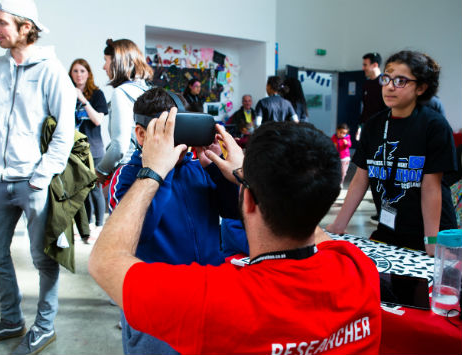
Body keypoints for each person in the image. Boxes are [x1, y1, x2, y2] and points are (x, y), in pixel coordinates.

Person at [89, 114, 382, 354]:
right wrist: (247, 178)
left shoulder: (212, 300)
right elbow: (312, 220)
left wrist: (152, 171)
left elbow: (105, 261)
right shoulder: (357, 268)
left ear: (249, 201)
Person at [0, 1, 76, 354]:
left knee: (43, 258)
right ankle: (12, 319)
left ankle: (44, 327)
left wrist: (40, 177)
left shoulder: (52, 72)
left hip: (33, 183)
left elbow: (64, 133)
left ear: (25, 27)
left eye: (1, 22)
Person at [108, 87, 239, 354]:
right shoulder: (128, 177)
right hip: (157, 308)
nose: (174, 141)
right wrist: (158, 171)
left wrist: (216, 167)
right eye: (163, 132)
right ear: (141, 134)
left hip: (206, 296)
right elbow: (138, 233)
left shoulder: (196, 169)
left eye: (177, 130)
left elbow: (233, 211)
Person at [327, 50, 458, 256]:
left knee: (424, 288)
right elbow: (361, 178)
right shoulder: (373, 125)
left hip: (430, 230)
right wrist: (338, 224)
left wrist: (432, 240)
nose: (389, 86)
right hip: (390, 228)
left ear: (421, 88)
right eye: (387, 78)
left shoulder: (434, 126)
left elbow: (431, 188)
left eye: (401, 81)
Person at [95, 38, 153, 185]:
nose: (104, 66)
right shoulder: (147, 90)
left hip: (127, 171)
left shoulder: (121, 93)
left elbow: (119, 145)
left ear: (117, 62)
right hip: (148, 168)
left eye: (106, 61)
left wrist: (100, 171)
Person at [69, 58, 108, 242]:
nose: (79, 75)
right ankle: (86, 226)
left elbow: (98, 120)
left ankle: (100, 226)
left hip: (94, 148)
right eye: (75, 71)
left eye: (82, 71)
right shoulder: (66, 93)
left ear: (88, 74)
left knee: (94, 189)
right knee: (79, 190)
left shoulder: (97, 94)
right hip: (74, 148)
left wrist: (82, 99)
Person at [358, 52, 388, 222]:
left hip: (382, 134)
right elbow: (365, 109)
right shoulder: (367, 85)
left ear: (375, 65)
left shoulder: (384, 83)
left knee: (382, 173)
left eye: (365, 64)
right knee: (371, 173)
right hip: (370, 133)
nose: (363, 68)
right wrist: (360, 127)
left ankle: (386, 210)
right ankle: (380, 209)